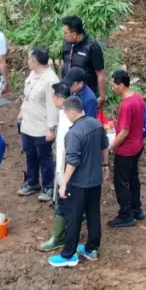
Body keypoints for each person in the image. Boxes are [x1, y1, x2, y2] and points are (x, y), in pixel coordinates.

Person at [48, 96, 109, 267]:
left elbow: (72, 162)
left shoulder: (73, 133)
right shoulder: (96, 124)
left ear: (71, 112)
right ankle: (92, 249)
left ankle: (68, 255)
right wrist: (105, 165)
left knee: (73, 218)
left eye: (66, 113)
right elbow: (105, 146)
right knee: (93, 214)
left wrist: (64, 183)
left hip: (79, 184)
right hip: (95, 181)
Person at [18, 48, 59, 201]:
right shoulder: (33, 74)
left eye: (29, 59)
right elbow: (27, 94)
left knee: (45, 157)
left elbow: (53, 106)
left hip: (42, 126)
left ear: (35, 62)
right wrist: (22, 110)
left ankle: (48, 186)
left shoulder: (51, 80)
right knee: (30, 154)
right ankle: (32, 182)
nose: (28, 62)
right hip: (28, 124)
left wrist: (51, 128)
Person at [38, 82, 74, 252]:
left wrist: (62, 170)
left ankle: (59, 237)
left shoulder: (68, 117)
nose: (52, 99)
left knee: (63, 201)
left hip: (65, 167)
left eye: (53, 96)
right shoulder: (64, 113)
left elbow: (69, 147)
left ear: (59, 98)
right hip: (61, 165)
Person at [107, 69, 146, 228]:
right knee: (133, 177)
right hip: (138, 145)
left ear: (121, 85)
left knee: (121, 181)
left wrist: (110, 147)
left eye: (114, 85)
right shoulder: (137, 97)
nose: (112, 88)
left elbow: (123, 133)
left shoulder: (126, 105)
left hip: (126, 150)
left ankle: (125, 214)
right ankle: (137, 208)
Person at [61, 16, 105, 109]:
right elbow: (63, 64)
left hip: (84, 95)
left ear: (74, 34)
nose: (64, 35)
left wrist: (102, 96)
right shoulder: (66, 44)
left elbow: (100, 73)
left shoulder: (92, 47)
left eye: (65, 33)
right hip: (68, 92)